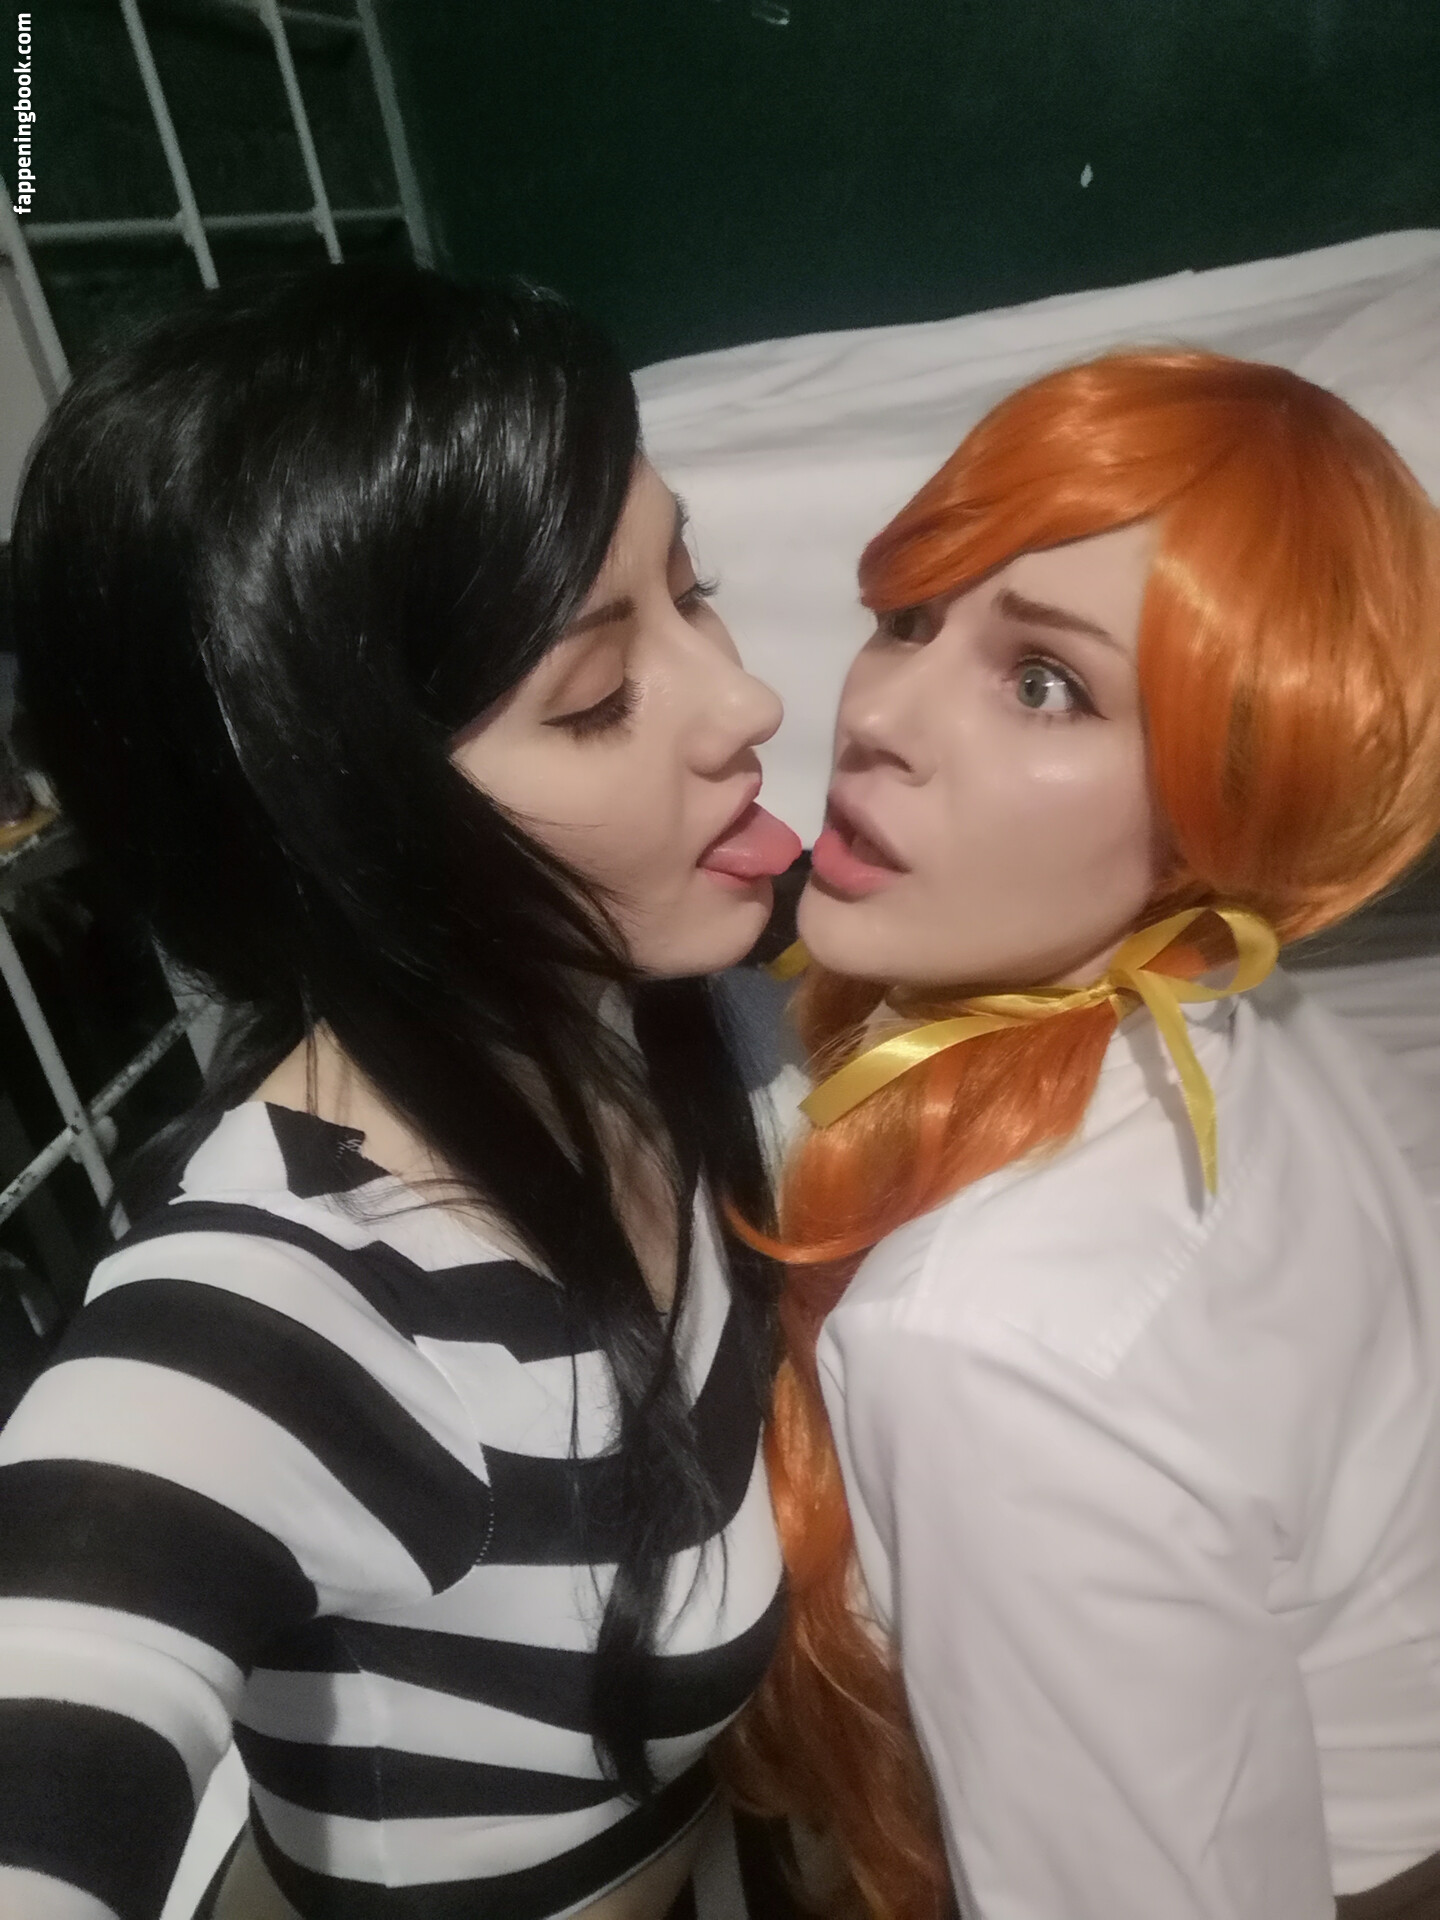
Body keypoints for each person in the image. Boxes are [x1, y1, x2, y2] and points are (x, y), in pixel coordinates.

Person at [0, 264, 805, 1920]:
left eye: (696, 589)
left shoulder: (661, 1011)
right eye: (596, 697)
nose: (749, 702)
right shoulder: (275, 1329)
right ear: (345, 839)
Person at [725, 350, 1440, 1920]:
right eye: (911, 618)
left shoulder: (986, 1344)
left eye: (1045, 682)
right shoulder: (1243, 1008)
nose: (879, 716)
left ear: (1226, 802)